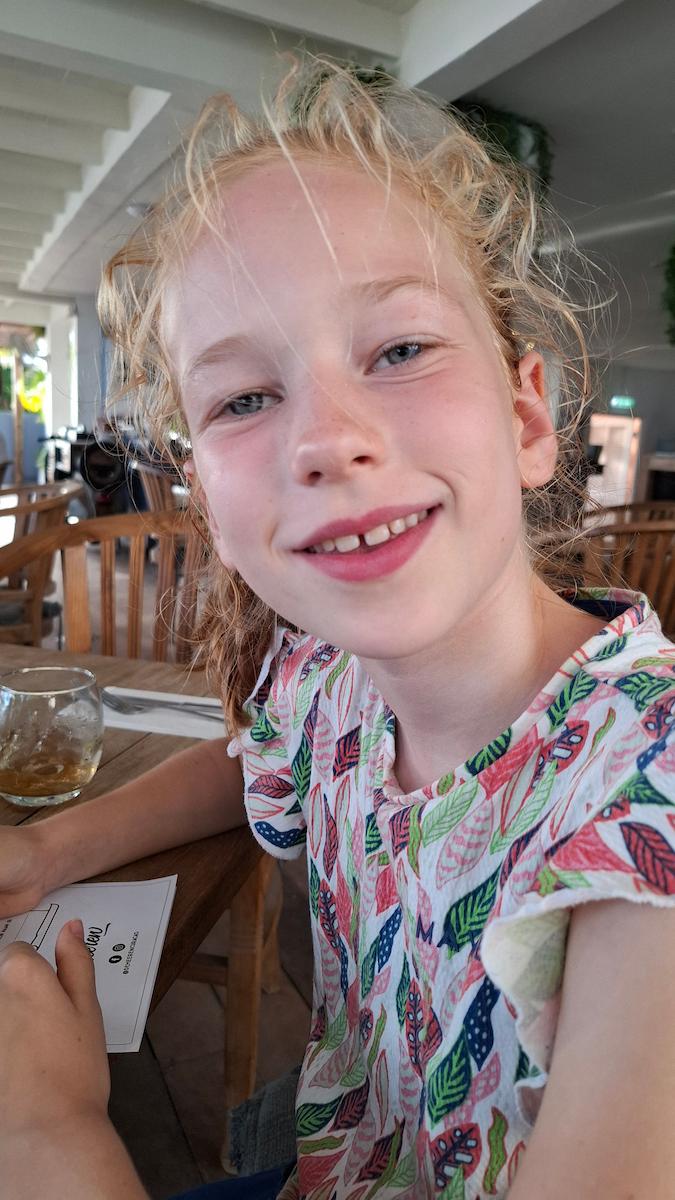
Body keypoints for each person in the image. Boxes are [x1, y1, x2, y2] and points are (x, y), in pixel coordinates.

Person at [0, 59, 674, 1200]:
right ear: (210, 506)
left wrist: (46, 1134)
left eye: (399, 349)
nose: (326, 438)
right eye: (244, 399)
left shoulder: (643, 796)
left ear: (526, 418)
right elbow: (256, 759)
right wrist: (47, 852)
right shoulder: (329, 676)